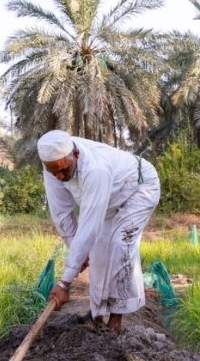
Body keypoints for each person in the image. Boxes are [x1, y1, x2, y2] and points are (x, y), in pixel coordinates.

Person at [38, 129, 161, 333]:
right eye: (54, 172)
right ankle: (97, 316)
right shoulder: (52, 164)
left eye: (64, 170)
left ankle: (115, 322)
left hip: (140, 189)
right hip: (110, 198)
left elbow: (89, 225)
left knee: (120, 244)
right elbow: (61, 213)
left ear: (75, 154)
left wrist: (64, 283)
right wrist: (77, 250)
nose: (59, 177)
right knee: (97, 252)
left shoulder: (95, 169)